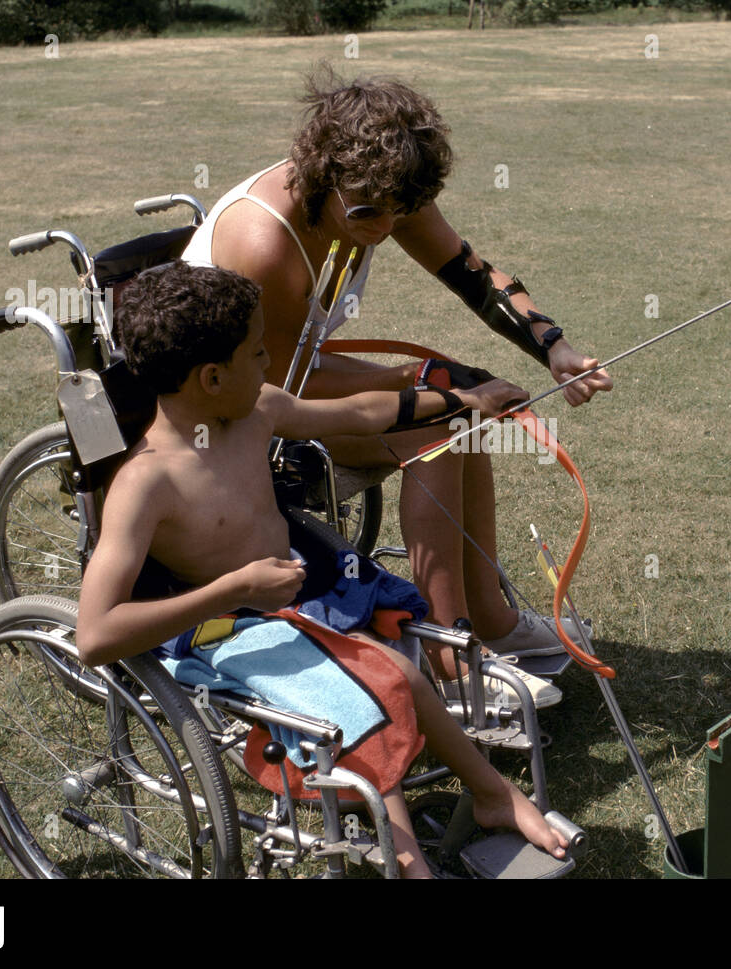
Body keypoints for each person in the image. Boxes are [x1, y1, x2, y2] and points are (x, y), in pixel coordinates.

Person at [77, 261, 567, 878]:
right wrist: (236, 588)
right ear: (211, 377)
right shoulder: (146, 483)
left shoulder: (255, 409)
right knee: (374, 695)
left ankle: (492, 795)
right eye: (258, 352)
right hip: (226, 626)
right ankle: (414, 862)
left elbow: (359, 414)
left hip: (303, 597)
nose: (266, 364)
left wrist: (463, 399)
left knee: (400, 678)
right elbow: (95, 636)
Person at [182, 65, 614, 707]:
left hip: (282, 382)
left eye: (400, 212)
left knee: (453, 414)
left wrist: (553, 345)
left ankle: (490, 623)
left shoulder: (378, 191)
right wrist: (427, 385)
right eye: (369, 213)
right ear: (324, 174)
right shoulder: (265, 241)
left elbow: (470, 273)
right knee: (436, 426)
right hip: (224, 418)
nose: (385, 227)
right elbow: (268, 390)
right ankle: (451, 662)